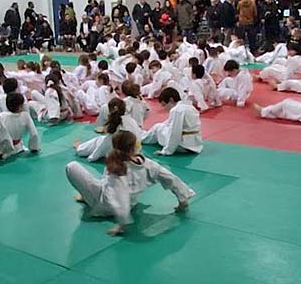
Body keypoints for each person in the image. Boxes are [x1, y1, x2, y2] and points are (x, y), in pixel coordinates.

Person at [67, 130, 195, 236]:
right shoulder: (145, 163)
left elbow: (119, 196)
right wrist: (182, 199)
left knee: (71, 166)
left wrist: (121, 225)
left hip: (105, 205)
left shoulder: (117, 170)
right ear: (134, 147)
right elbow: (170, 177)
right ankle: (86, 196)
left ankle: (88, 197)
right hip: (130, 204)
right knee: (103, 183)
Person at [74, 97, 142, 162]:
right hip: (136, 150)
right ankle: (81, 147)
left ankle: (80, 148)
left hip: (122, 155)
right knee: (102, 139)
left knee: (98, 141)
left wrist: (93, 156)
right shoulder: (131, 120)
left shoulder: (116, 128)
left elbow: (103, 147)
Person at [142, 87, 203, 155]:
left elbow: (175, 133)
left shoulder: (176, 110)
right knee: (161, 126)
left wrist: (166, 151)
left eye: (164, 105)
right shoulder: (189, 107)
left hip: (182, 146)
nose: (164, 108)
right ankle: (142, 135)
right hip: (195, 145)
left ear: (171, 100)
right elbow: (169, 123)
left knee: (157, 127)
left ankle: (140, 138)